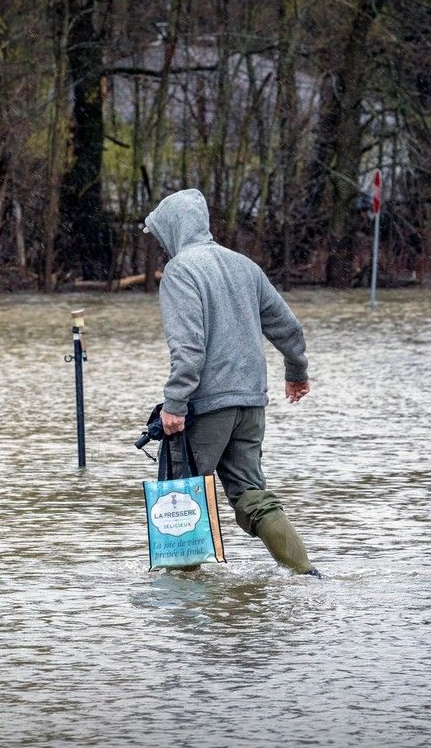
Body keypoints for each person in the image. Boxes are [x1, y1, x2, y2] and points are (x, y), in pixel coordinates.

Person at [143, 188, 319, 576]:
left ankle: (183, 600)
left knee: (180, 497)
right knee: (251, 496)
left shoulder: (180, 272)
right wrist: (296, 373)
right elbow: (288, 327)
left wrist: (174, 404)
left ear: (172, 229)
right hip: (252, 404)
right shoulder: (245, 266)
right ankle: (307, 575)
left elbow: (188, 350)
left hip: (207, 408)